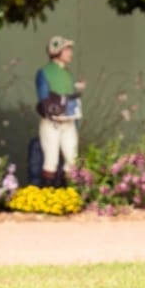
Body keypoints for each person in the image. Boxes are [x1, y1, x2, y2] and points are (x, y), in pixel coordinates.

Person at [35, 35, 84, 185]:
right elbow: (44, 99)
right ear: (57, 51)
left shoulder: (68, 74)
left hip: (68, 121)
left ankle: (67, 194)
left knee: (72, 159)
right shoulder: (44, 72)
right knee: (51, 160)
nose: (70, 53)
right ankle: (49, 196)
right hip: (53, 122)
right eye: (67, 49)